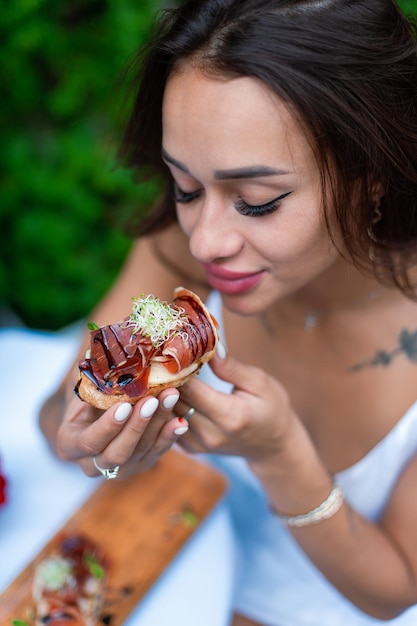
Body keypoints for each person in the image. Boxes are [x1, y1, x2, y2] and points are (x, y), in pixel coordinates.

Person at [38, 0, 417, 624]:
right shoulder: (179, 256)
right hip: (167, 563)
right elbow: (61, 412)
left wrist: (280, 455)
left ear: (371, 174)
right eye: (185, 188)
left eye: (258, 202)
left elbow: (395, 589)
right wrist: (92, 441)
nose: (204, 242)